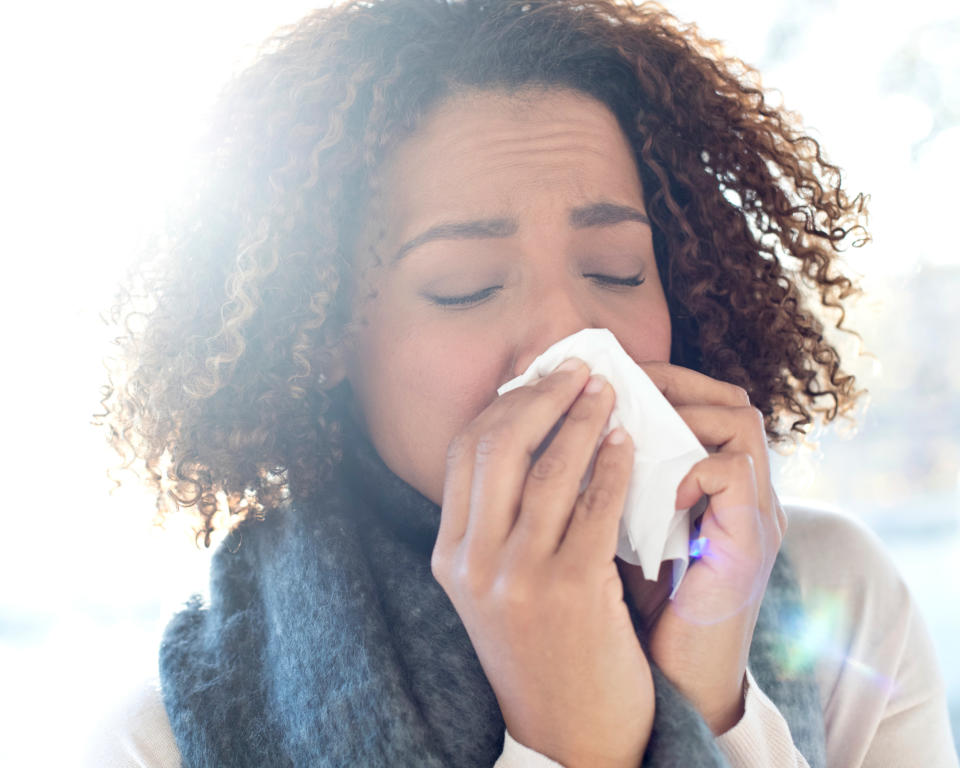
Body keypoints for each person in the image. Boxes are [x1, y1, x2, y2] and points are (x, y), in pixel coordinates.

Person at [89, 0, 957, 766]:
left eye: (619, 271)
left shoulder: (842, 599)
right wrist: (576, 750)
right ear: (318, 336)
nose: (571, 341)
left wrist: (708, 703)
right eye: (466, 284)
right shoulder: (166, 739)